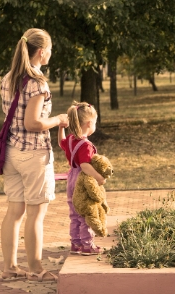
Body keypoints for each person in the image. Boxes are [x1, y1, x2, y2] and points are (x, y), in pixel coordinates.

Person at [0, 28, 69, 283]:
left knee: (14, 211)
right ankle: (36, 268)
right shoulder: (38, 83)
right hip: (33, 155)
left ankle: (9, 267)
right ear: (41, 52)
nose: (51, 53)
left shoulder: (8, 78)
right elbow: (33, 123)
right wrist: (58, 119)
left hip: (10, 153)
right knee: (35, 214)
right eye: (50, 49)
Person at [58, 101, 106, 256]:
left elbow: (61, 142)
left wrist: (61, 129)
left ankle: (75, 243)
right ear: (89, 123)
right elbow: (85, 165)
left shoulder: (71, 139)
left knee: (74, 213)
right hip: (81, 181)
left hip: (71, 178)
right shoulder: (86, 145)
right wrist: (99, 177)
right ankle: (87, 245)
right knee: (86, 212)